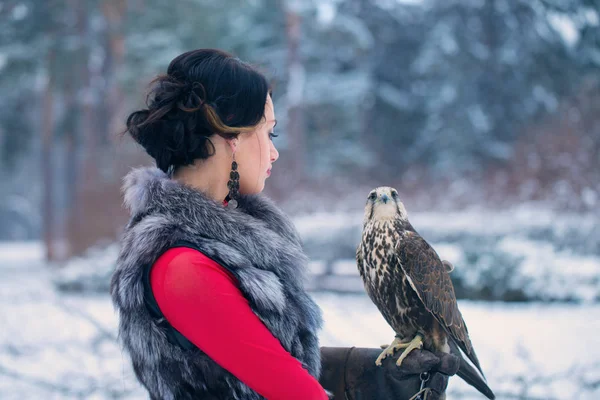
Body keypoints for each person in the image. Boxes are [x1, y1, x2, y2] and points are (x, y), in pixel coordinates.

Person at [110, 49, 459, 400]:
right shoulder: (185, 267)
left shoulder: (208, 250)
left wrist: (353, 371)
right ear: (231, 136)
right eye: (269, 134)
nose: (274, 153)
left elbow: (243, 360)